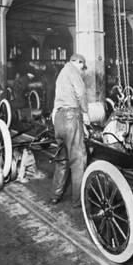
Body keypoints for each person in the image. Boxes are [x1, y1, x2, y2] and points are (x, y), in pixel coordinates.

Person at [50, 54, 90, 207]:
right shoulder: (73, 71)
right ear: (78, 62)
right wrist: (86, 114)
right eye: (82, 66)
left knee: (62, 159)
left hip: (58, 118)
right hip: (71, 117)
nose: (82, 70)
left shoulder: (61, 74)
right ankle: (78, 200)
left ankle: (55, 195)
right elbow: (81, 93)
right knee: (78, 159)